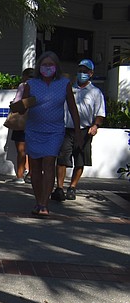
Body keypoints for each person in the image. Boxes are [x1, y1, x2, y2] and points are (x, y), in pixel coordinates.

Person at [22, 51, 82, 216]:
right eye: (44, 64)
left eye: (51, 65)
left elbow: (72, 108)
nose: (47, 68)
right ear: (39, 67)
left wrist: (78, 131)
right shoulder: (31, 84)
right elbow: (23, 107)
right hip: (34, 130)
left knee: (49, 163)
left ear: (56, 67)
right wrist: (18, 107)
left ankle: (44, 203)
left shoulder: (64, 83)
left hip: (54, 131)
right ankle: (37, 200)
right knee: (35, 167)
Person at [52, 59, 106, 201]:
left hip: (84, 131)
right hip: (66, 129)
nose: (82, 73)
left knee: (80, 160)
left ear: (91, 73)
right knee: (62, 158)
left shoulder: (96, 93)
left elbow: (100, 113)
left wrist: (95, 126)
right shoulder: (69, 88)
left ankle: (73, 187)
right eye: (80, 70)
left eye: (85, 71)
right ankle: (59, 188)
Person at [7, 68, 34, 184]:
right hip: (34, 122)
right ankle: (31, 174)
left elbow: (17, 102)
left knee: (21, 150)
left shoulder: (23, 86)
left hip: (22, 122)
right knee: (32, 150)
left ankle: (19, 176)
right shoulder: (40, 87)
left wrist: (12, 104)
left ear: (24, 76)